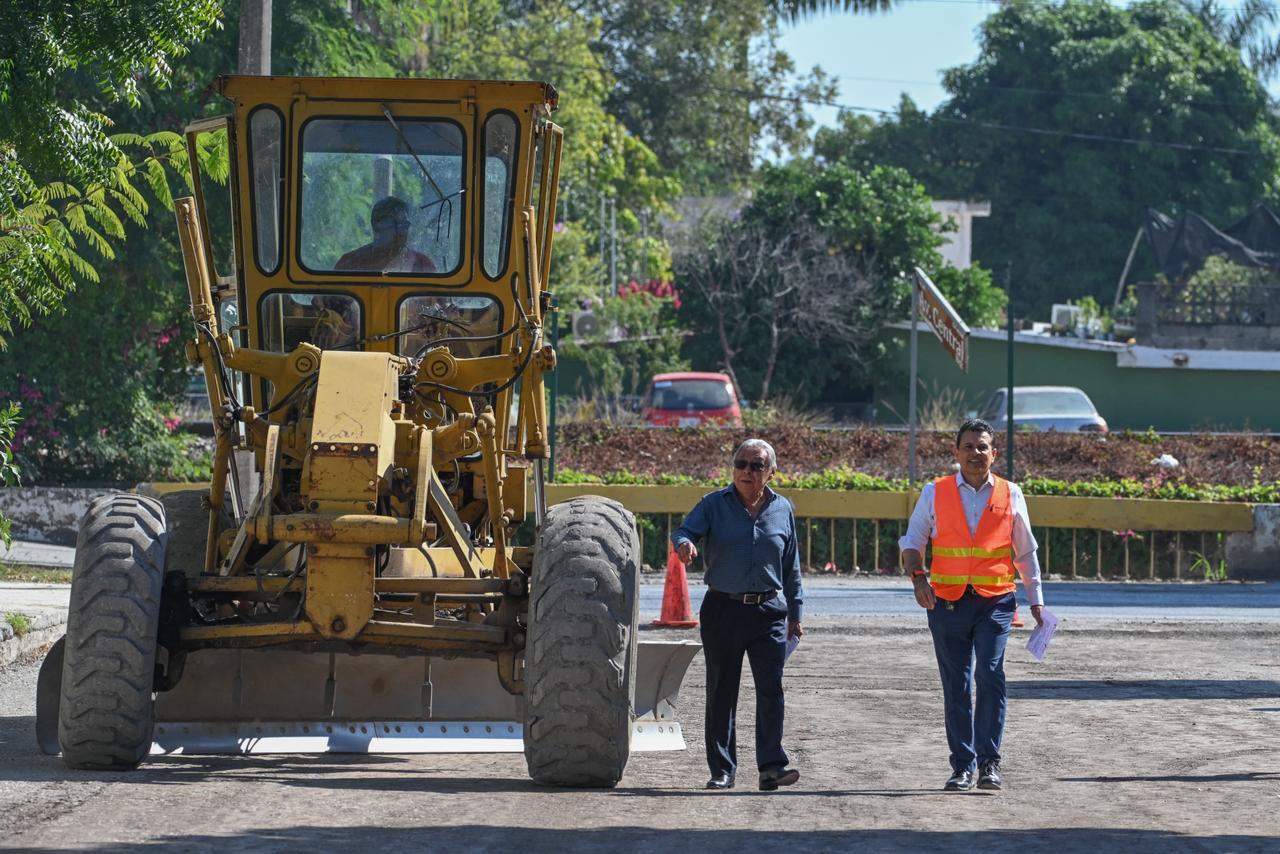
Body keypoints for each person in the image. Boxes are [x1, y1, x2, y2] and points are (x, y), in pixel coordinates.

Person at [899, 418, 1046, 792]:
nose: (976, 453)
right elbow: (913, 542)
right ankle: (962, 765)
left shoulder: (1011, 494)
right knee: (957, 684)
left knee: (991, 675)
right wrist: (918, 579)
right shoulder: (935, 492)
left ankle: (990, 764)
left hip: (995, 601)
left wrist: (1037, 602)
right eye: (969, 446)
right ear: (956, 452)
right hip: (946, 602)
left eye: (983, 447)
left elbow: (1025, 551)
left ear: (994, 453)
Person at [671, 438, 804, 792]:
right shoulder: (714, 504)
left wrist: (796, 611)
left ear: (771, 472)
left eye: (756, 465)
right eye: (741, 464)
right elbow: (684, 530)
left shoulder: (782, 509)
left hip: (769, 613)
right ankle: (722, 770)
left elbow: (791, 566)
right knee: (721, 691)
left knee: (771, 691)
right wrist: (685, 544)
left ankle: (771, 767)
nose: (747, 471)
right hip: (723, 609)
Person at [335, 196, 437, 273]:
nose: (401, 231)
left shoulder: (422, 264)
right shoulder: (350, 263)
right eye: (393, 224)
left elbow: (439, 301)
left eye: (405, 224)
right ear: (376, 229)